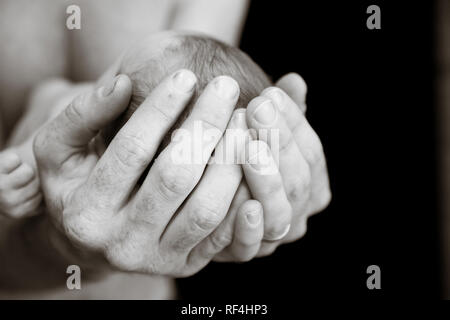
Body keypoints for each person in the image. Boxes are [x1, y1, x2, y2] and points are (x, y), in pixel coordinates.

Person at [0, 0, 331, 299]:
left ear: (108, 142)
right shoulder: (89, 116)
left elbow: (42, 123)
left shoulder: (90, 143)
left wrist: (21, 180)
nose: (98, 87)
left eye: (117, 71)